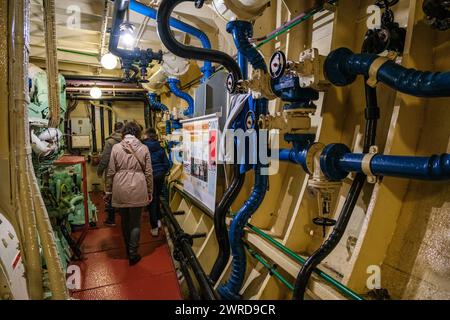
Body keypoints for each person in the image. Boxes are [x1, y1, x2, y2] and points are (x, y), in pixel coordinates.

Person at [105, 122, 153, 266]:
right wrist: (150, 191)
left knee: (124, 221)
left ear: (124, 133)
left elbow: (111, 171)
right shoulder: (144, 148)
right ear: (138, 133)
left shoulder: (116, 148)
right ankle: (133, 253)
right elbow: (149, 173)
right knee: (135, 222)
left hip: (120, 187)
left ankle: (127, 249)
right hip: (139, 186)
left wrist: (108, 190)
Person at [143, 128, 170, 236]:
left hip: (149, 176)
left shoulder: (142, 148)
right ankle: (159, 219)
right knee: (157, 197)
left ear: (146, 136)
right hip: (160, 176)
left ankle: (154, 227)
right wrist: (164, 172)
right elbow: (167, 164)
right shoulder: (160, 148)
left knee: (151, 201)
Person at [97, 122, 124, 227]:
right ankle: (124, 217)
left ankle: (111, 219)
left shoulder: (110, 141)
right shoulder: (127, 141)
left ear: (114, 129)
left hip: (112, 171)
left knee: (111, 194)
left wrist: (100, 170)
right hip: (124, 171)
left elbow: (105, 158)